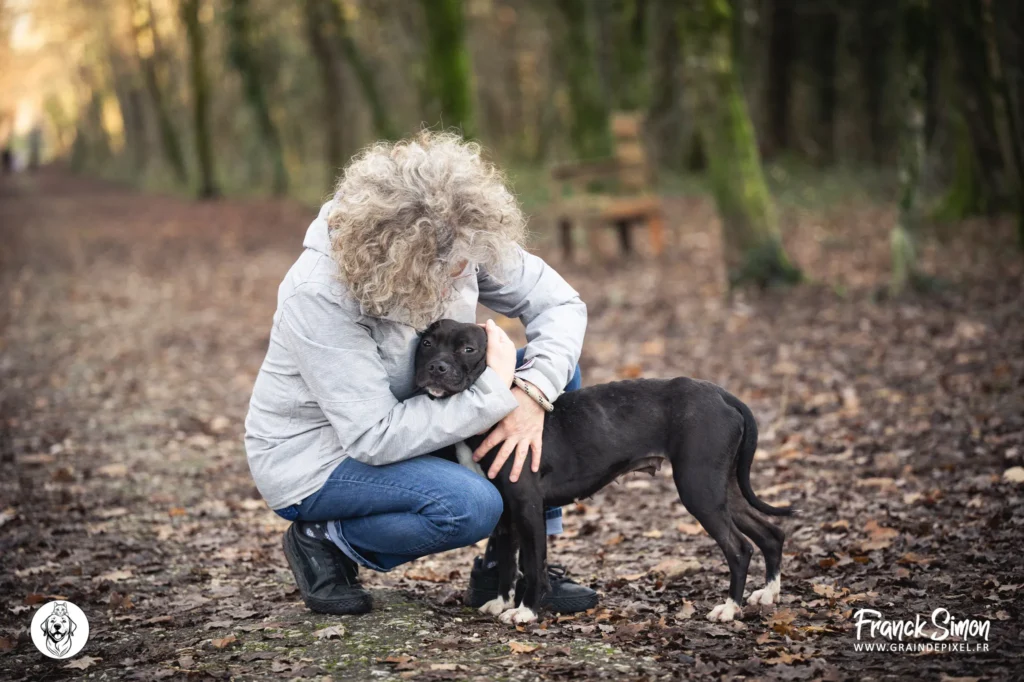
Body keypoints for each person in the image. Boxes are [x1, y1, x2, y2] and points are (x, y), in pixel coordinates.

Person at [244, 132, 597, 616]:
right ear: (403, 256)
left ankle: (514, 562)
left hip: (419, 416)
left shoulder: (461, 233)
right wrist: (496, 391)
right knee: (468, 506)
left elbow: (559, 303)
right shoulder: (318, 294)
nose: (464, 272)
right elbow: (372, 436)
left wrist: (531, 394)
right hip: (321, 454)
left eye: (467, 261)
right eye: (452, 266)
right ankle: (324, 538)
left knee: (556, 371)